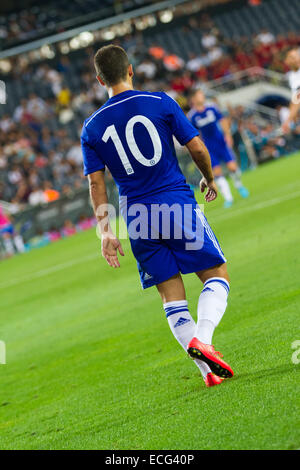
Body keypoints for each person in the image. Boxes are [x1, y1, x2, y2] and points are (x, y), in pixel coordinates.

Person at [81, 45, 234, 387]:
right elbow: (195, 146)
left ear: (98, 79)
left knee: (171, 296)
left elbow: (96, 183)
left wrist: (106, 231)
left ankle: (208, 374)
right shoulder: (160, 102)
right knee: (216, 274)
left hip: (136, 216)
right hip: (173, 203)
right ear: (131, 70)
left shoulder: (90, 127)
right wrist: (209, 178)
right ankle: (204, 340)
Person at [188, 90, 249, 208]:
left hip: (221, 142)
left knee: (233, 167)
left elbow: (222, 120)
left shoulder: (212, 108)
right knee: (217, 173)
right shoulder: (192, 116)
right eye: (200, 95)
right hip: (209, 147)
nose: (203, 96)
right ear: (194, 99)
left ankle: (239, 185)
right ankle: (228, 198)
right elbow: (195, 134)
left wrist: (227, 135)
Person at [282, 48, 300, 134]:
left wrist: (288, 120)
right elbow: (295, 99)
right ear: (286, 61)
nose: (296, 59)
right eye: (292, 57)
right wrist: (289, 120)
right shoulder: (292, 76)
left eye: (297, 56)